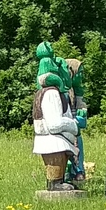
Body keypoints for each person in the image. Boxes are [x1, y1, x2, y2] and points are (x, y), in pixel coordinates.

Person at [32, 60, 80, 192]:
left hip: (57, 140)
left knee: (60, 160)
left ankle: (59, 181)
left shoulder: (52, 92)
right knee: (55, 160)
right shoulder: (51, 93)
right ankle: (55, 183)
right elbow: (54, 124)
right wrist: (73, 125)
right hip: (52, 140)